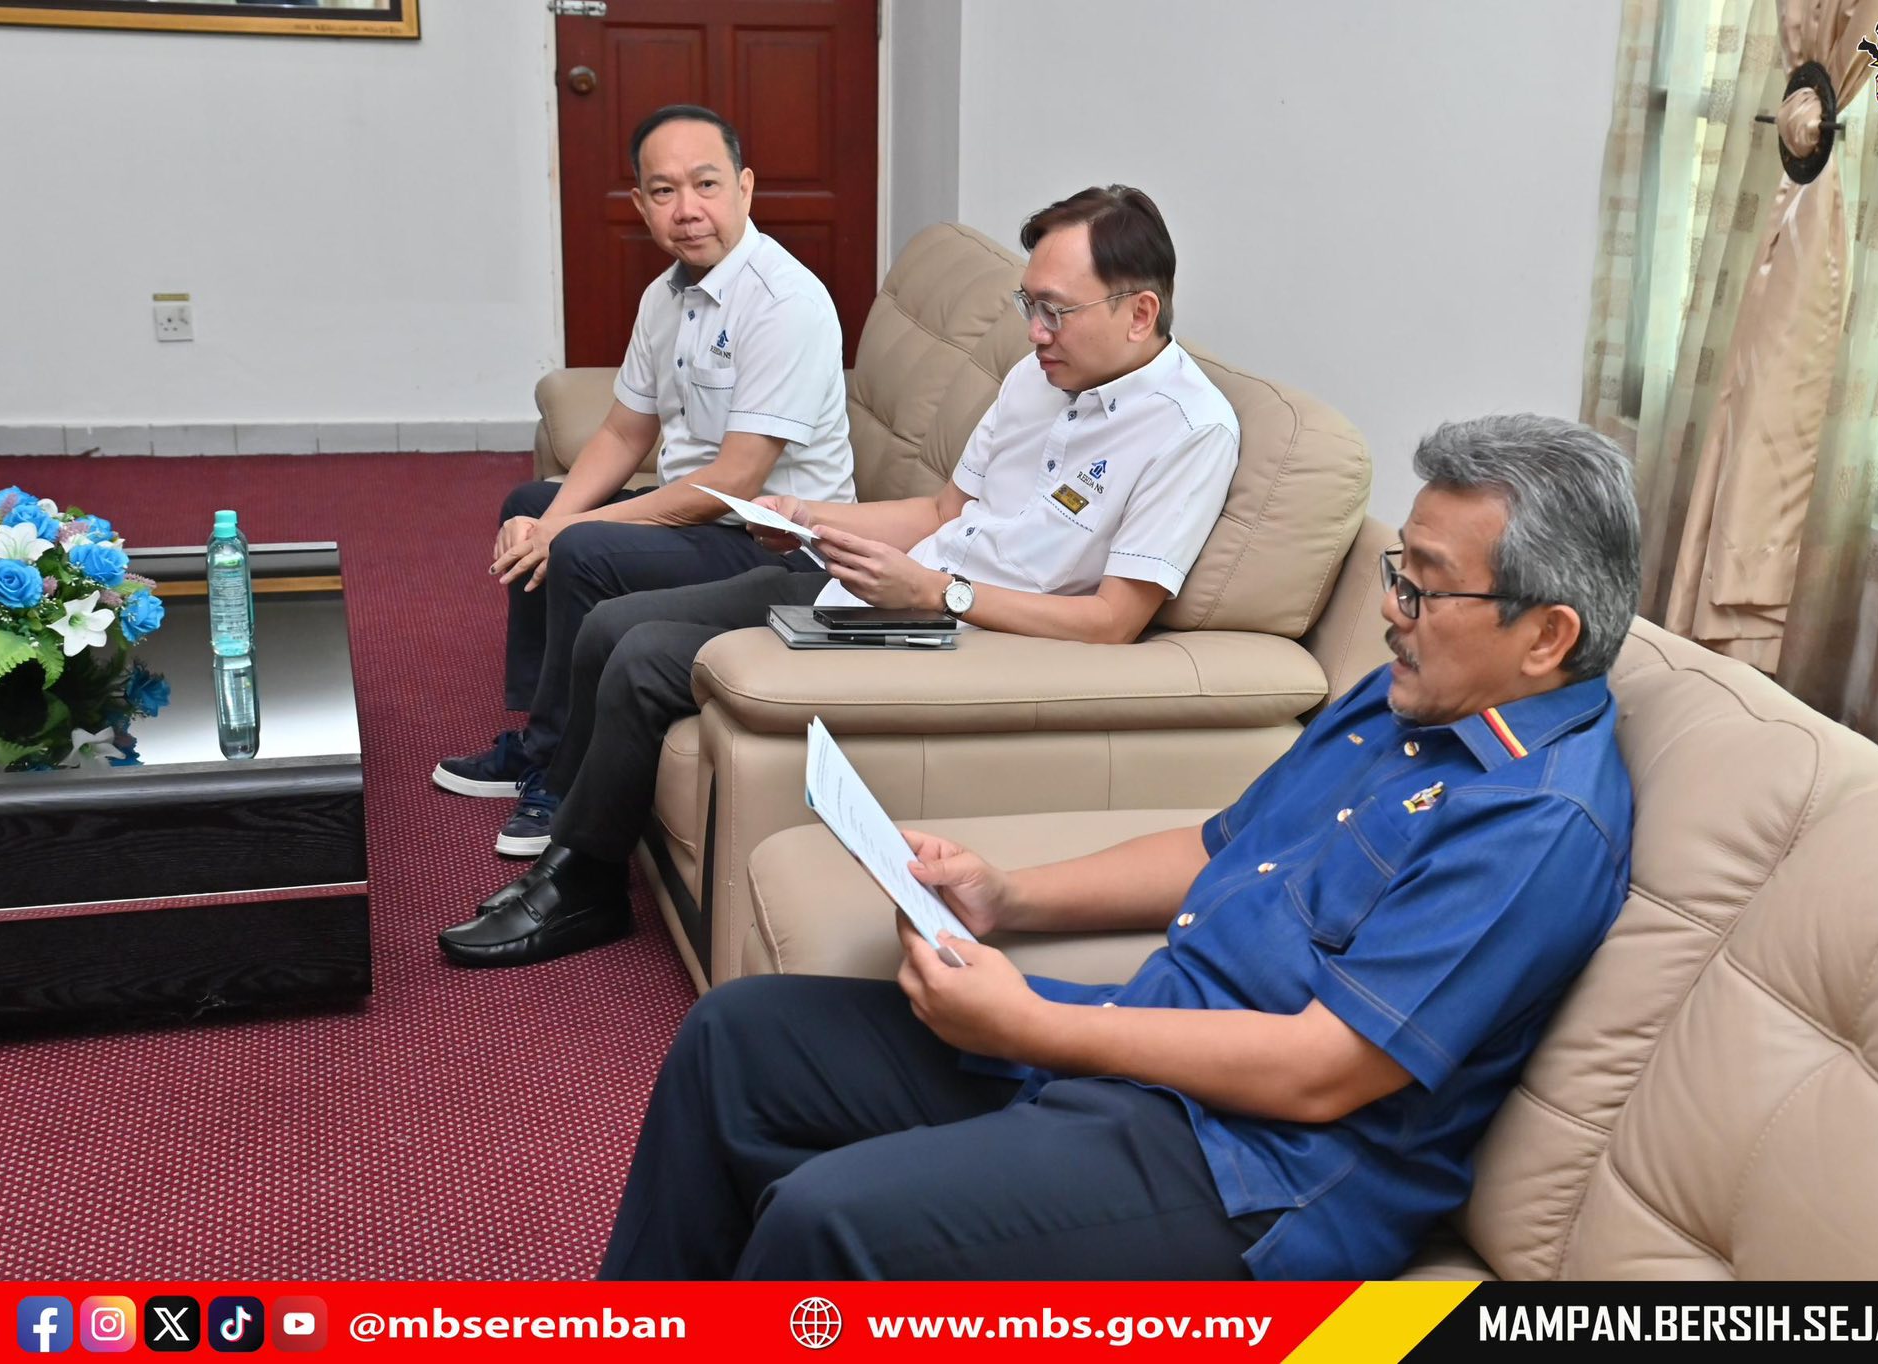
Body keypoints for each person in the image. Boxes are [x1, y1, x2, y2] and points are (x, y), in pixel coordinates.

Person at [596, 414, 1643, 1281]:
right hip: (1146, 1042)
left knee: (829, 1219)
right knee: (737, 1040)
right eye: (1395, 569)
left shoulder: (1536, 819)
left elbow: (1322, 1073)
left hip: (1252, 1175)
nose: (1388, 609)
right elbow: (1219, 846)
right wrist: (1008, 897)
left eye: (1423, 587)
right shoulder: (1405, 699)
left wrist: (1036, 1025)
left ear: (1546, 635)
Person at [438, 185, 1241, 967]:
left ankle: (581, 887)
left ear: (1140, 312)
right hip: (885, 588)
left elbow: (1113, 621)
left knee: (646, 657)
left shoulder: (1190, 430)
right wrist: (806, 517)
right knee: (612, 624)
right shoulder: (1038, 376)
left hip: (957, 634)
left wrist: (938, 595)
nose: (1035, 332)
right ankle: (569, 849)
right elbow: (942, 512)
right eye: (1028, 304)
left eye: (1055, 311)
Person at [431, 105, 855, 857]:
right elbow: (626, 432)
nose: (687, 209)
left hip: (776, 544)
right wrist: (548, 520)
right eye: (664, 191)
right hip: (702, 521)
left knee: (578, 545)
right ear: (640, 204)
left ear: (745, 188)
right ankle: (540, 737)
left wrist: (569, 531)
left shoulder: (784, 303)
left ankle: (563, 777)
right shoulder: (665, 296)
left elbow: (736, 478)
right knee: (530, 505)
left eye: (706, 185)